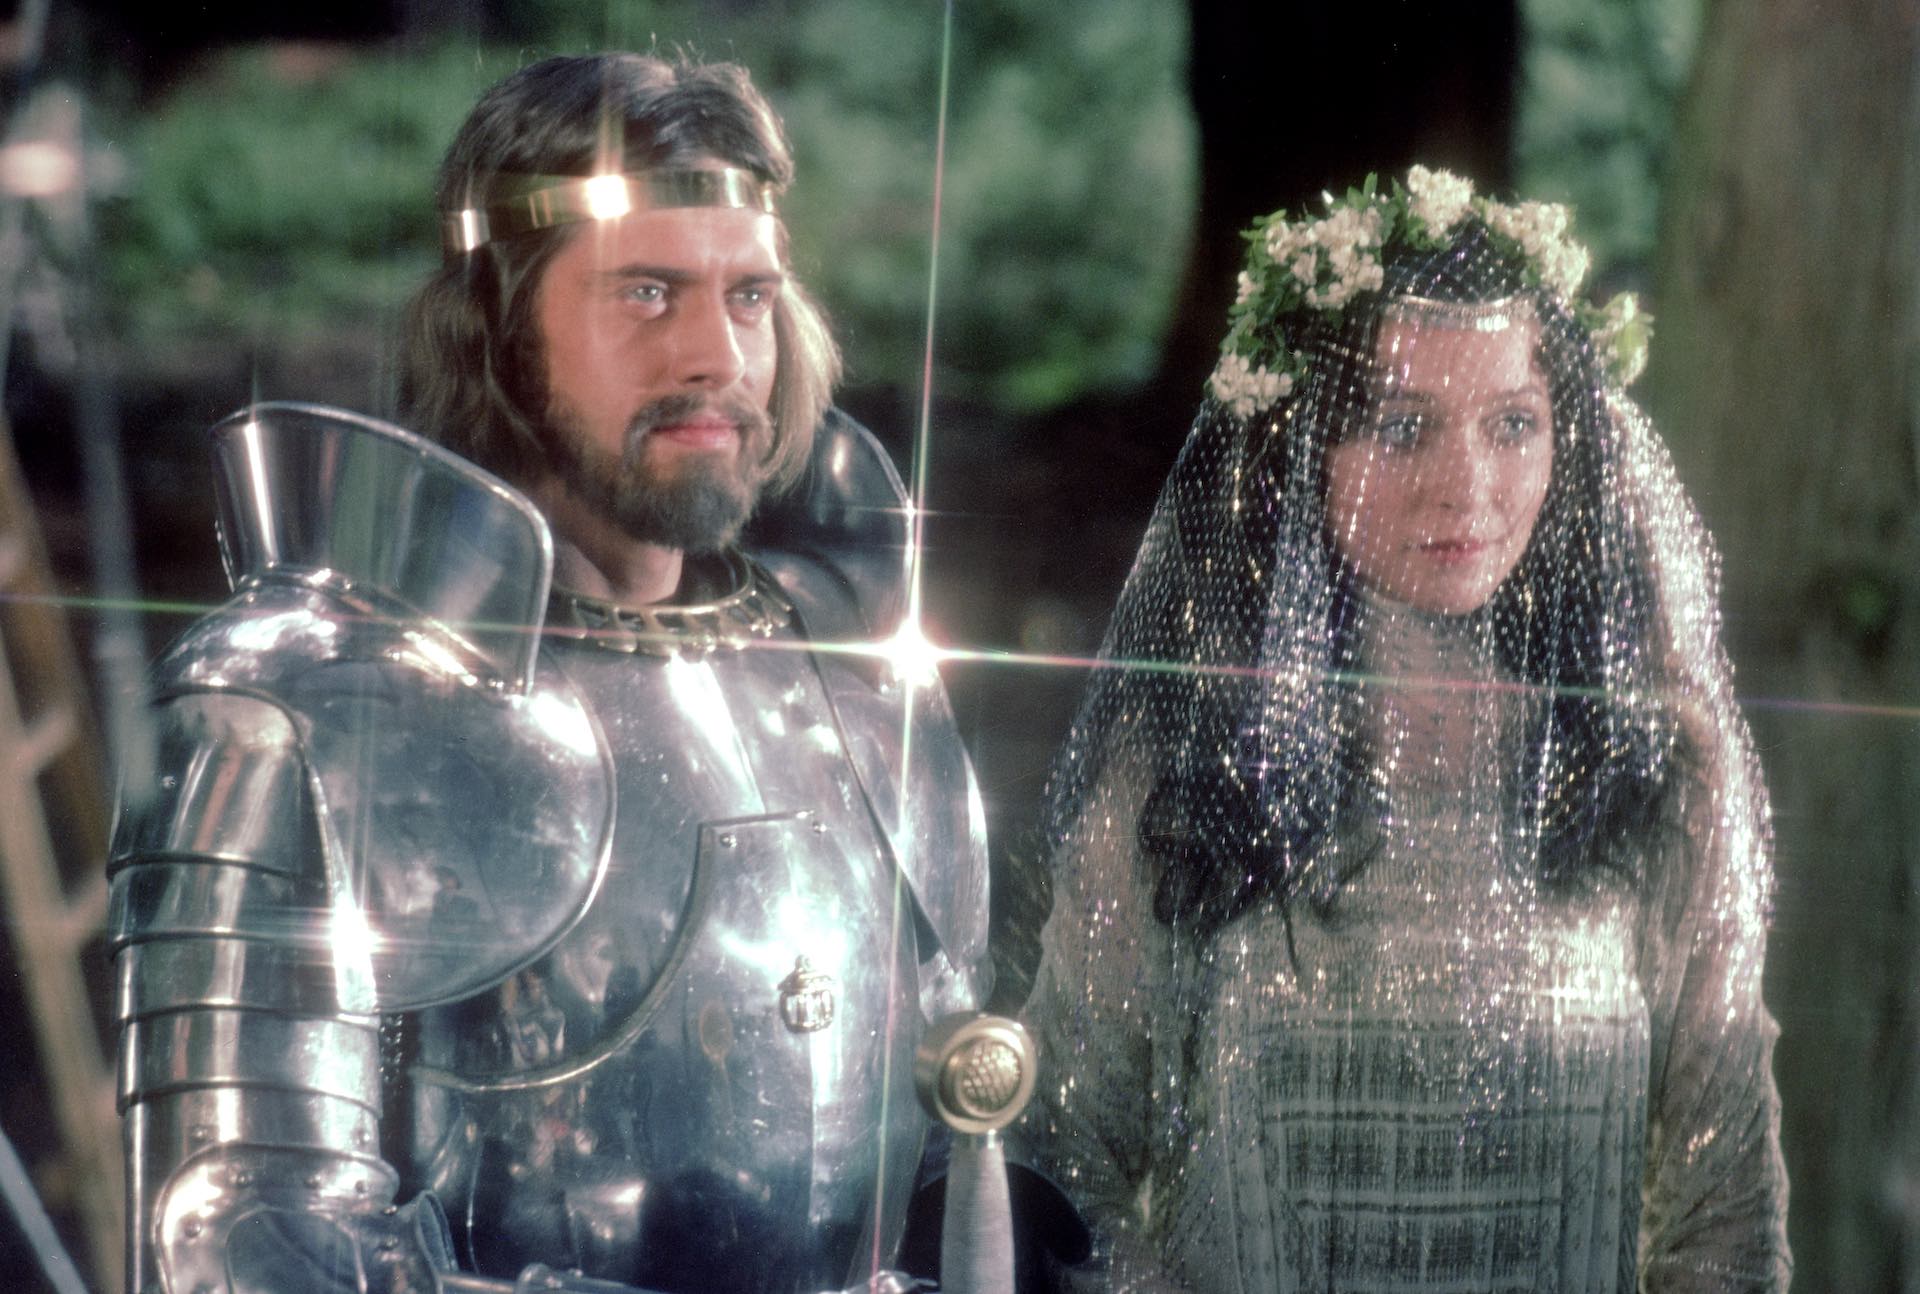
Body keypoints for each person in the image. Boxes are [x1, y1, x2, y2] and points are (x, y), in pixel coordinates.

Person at [105, 54, 995, 1294]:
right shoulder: (299, 710)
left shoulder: (853, 666)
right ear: (499, 327)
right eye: (647, 292)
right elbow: (239, 1242)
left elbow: (962, 1139)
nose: (718, 357)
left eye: (749, 297)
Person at [1018, 168, 1790, 1291]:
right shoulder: (1184, 779)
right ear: (1299, 448)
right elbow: (1060, 1161)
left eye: (1513, 423)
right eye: (1402, 426)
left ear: (1568, 442)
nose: (1465, 488)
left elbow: (1727, 1212)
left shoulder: (1653, 772)